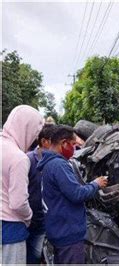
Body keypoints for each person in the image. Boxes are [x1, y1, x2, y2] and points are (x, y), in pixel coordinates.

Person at [38, 125, 108, 264]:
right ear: (64, 143)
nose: (74, 148)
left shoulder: (47, 164)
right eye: (73, 144)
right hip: (68, 234)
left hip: (57, 229)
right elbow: (76, 194)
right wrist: (95, 184)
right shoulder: (58, 165)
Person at [1, 105, 44, 264]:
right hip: (10, 229)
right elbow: (18, 202)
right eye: (35, 132)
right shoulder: (18, 158)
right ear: (26, 128)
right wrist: (28, 217)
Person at [25, 124, 57, 264]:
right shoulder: (28, 161)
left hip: (49, 220)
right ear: (45, 141)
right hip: (32, 220)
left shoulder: (56, 162)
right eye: (56, 141)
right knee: (33, 255)